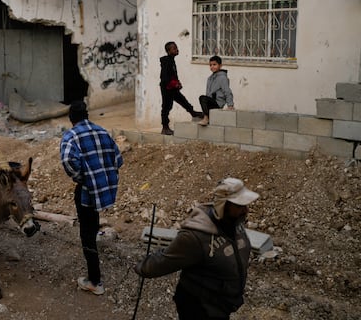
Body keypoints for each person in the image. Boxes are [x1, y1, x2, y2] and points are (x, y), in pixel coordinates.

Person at [134, 178, 259, 320]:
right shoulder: (194, 237)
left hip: (222, 305)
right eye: (239, 205)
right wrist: (142, 267)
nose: (246, 210)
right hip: (200, 308)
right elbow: (163, 262)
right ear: (223, 205)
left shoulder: (234, 223)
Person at [60, 100, 123, 296]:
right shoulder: (102, 132)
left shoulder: (70, 136)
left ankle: (95, 281)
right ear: (86, 115)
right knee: (92, 226)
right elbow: (118, 159)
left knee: (86, 234)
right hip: (102, 190)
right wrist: (101, 175)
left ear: (71, 119)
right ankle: (94, 265)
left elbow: (68, 161)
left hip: (87, 191)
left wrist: (84, 178)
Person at [160, 41, 204, 135]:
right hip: (167, 89)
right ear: (168, 51)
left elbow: (172, 75)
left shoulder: (171, 60)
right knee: (166, 107)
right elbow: (164, 77)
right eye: (174, 48)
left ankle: (193, 112)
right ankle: (165, 127)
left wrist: (177, 83)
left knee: (183, 101)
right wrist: (173, 84)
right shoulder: (166, 61)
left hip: (172, 88)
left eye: (176, 48)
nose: (177, 50)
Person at [198, 55, 234, 126]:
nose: (212, 67)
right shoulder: (210, 78)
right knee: (203, 98)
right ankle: (206, 115)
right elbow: (208, 93)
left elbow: (227, 91)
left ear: (220, 65)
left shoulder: (223, 78)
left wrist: (230, 105)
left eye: (214, 64)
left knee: (202, 98)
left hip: (217, 104)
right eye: (210, 65)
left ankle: (206, 117)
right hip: (211, 102)